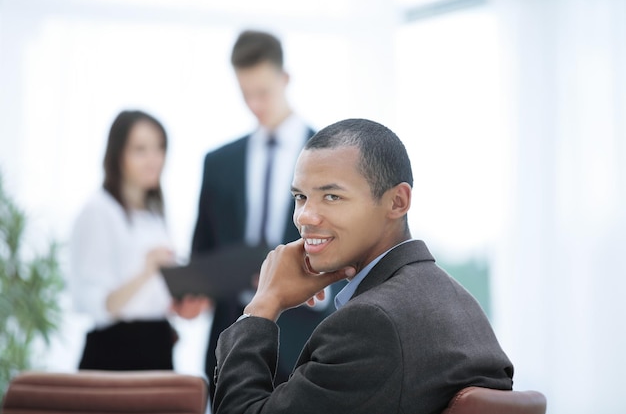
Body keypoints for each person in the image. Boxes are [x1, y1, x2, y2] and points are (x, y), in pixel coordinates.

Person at [212, 118, 514, 414]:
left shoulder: (371, 323)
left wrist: (263, 305)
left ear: (397, 202)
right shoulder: (458, 303)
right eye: (300, 197)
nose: (304, 216)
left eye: (332, 196)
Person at [191, 29, 342, 395]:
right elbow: (203, 250)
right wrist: (194, 287)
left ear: (285, 79)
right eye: (246, 95)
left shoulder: (335, 155)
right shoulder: (218, 162)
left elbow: (346, 243)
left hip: (306, 345)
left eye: (263, 93)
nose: (255, 104)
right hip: (230, 343)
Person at [70, 110, 207, 370]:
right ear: (118, 154)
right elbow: (101, 305)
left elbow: (149, 299)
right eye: (140, 149)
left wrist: (180, 303)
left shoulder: (153, 214)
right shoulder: (98, 211)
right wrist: (147, 271)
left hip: (157, 346)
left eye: (159, 148)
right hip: (115, 352)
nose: (153, 159)